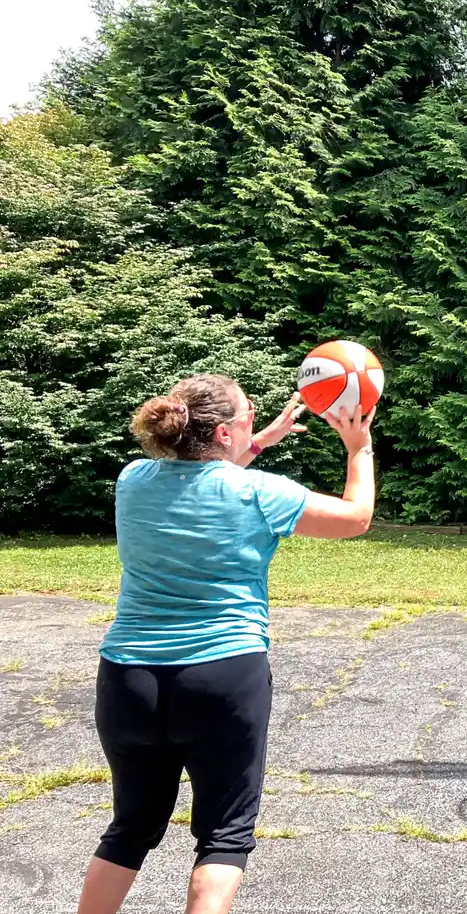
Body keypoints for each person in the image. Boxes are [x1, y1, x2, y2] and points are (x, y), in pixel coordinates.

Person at [76, 373, 377, 914]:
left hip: (128, 678)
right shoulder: (260, 492)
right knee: (223, 835)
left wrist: (258, 440)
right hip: (222, 675)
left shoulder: (133, 479)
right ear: (221, 434)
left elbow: (202, 476)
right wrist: (360, 447)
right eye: (246, 418)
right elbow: (355, 518)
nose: (252, 423)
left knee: (130, 828)